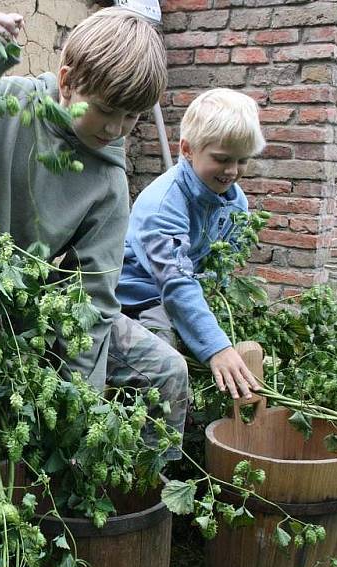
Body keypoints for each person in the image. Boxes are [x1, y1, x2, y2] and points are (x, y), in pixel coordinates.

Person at [0, 8, 167, 391]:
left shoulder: (109, 184)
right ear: (67, 82)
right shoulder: (11, 103)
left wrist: (80, 402)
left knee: (165, 368)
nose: (116, 129)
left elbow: (92, 300)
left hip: (10, 322)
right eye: (105, 110)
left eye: (132, 116)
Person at [115, 88, 267, 418]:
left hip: (180, 289)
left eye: (243, 160)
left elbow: (223, 260)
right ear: (187, 150)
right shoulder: (163, 205)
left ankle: (196, 420)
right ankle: (151, 445)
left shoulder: (234, 200)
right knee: (167, 356)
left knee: (216, 335)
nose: (233, 171)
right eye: (223, 159)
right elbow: (175, 283)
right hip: (139, 296)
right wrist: (216, 348)